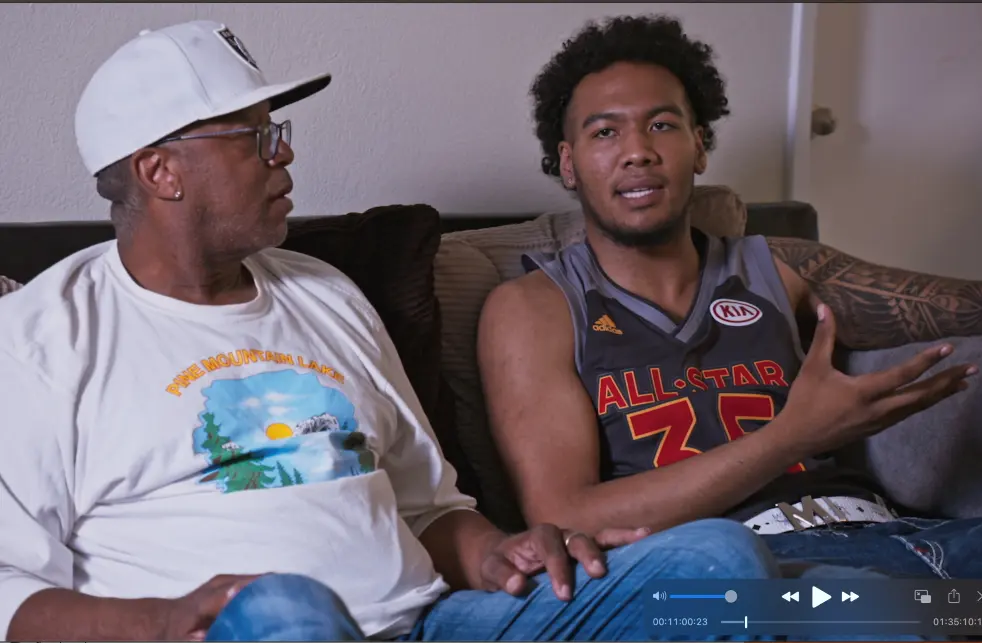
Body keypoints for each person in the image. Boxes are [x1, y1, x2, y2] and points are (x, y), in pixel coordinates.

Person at [0, 20, 800, 643]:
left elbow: (429, 507)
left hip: (438, 624)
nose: (286, 154)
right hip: (263, 629)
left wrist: (495, 552)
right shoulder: (40, 337)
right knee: (284, 606)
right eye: (256, 137)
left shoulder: (327, 295)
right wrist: (164, 619)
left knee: (715, 561)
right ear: (160, 171)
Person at [477, 14, 982, 584]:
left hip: (896, 535)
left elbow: (972, 306)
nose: (638, 152)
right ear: (569, 163)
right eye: (605, 132)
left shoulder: (775, 268)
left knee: (952, 601)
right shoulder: (534, 308)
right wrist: (793, 436)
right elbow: (564, 515)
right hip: (745, 570)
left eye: (662, 125)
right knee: (904, 612)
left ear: (699, 146)